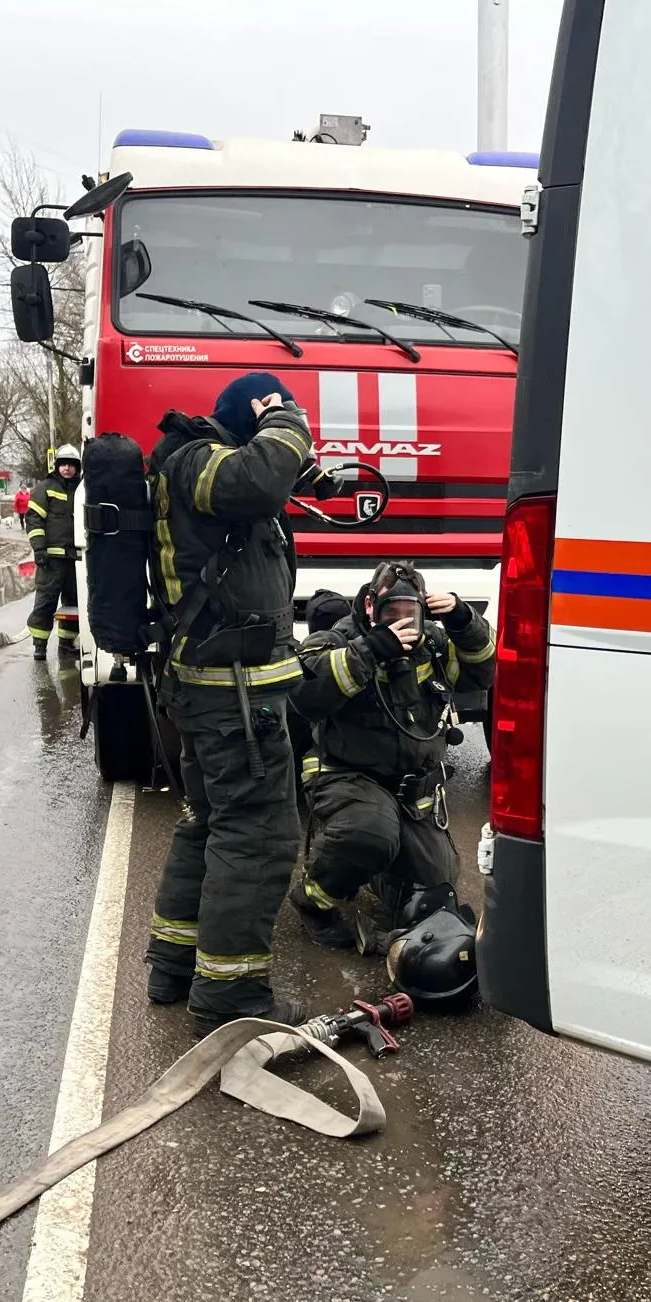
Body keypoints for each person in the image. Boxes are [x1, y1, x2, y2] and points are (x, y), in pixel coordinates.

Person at [144, 372, 323, 1035]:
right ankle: (229, 997)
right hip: (231, 696)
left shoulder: (207, 468)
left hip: (223, 689)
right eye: (271, 413)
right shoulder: (197, 459)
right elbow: (259, 478)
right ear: (253, 414)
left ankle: (175, 963)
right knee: (257, 837)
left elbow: (263, 486)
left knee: (209, 823)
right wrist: (289, 417)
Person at [288, 561, 496, 947]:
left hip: (411, 789)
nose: (401, 623)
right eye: (390, 614)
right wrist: (369, 651)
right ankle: (312, 900)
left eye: (409, 614)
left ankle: (374, 867)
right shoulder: (338, 640)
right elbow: (303, 696)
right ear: (370, 607)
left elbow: (484, 671)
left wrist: (465, 620)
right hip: (347, 776)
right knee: (369, 832)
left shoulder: (432, 643)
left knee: (437, 890)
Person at [25, 445, 83, 660]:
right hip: (51, 559)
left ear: (78, 467)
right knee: (45, 601)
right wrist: (39, 549)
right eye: (63, 465)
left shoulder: (82, 489)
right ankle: (39, 645)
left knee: (74, 603)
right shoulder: (45, 488)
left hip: (76, 557)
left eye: (71, 465)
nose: (67, 469)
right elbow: (33, 520)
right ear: (57, 466)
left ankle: (66, 644)